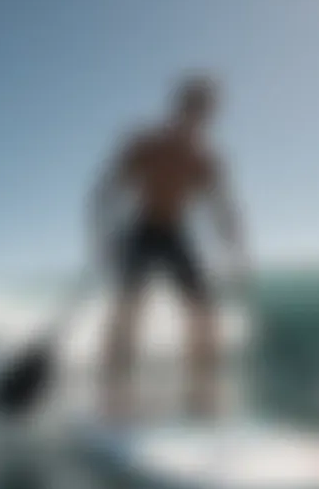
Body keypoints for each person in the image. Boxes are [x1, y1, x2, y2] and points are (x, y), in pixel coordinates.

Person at [90, 75, 247, 426]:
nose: (197, 119)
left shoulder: (206, 159)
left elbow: (222, 207)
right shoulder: (145, 143)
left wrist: (236, 246)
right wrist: (104, 238)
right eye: (192, 109)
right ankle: (114, 394)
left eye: (205, 113)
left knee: (204, 314)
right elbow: (105, 190)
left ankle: (200, 394)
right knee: (129, 312)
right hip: (141, 230)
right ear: (179, 108)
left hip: (175, 234)